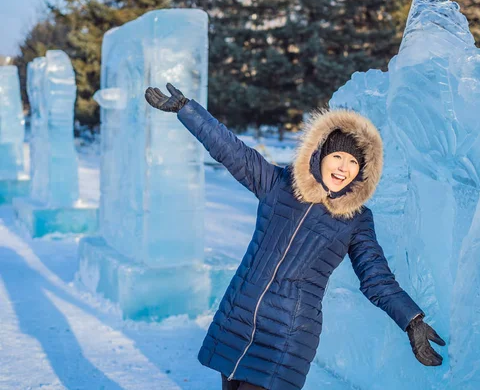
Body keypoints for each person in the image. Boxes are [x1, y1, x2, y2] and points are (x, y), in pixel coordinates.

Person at [145, 84, 446, 390]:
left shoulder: (355, 220)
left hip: (285, 338)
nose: (344, 168)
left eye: (354, 162)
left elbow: (376, 277)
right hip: (239, 319)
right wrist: (187, 109)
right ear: (321, 154)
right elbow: (232, 151)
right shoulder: (280, 185)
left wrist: (412, 320)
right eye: (339, 156)